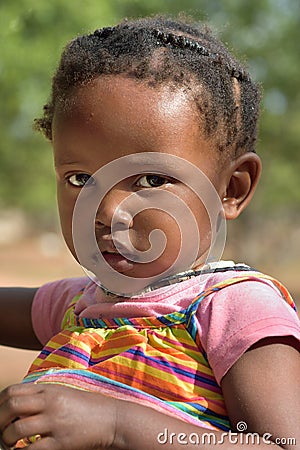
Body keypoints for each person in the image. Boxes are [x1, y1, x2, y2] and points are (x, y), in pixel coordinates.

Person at [0, 15, 299, 450]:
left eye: (151, 181)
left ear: (231, 189)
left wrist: (118, 426)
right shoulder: (81, 305)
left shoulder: (235, 309)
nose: (106, 213)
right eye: (81, 180)